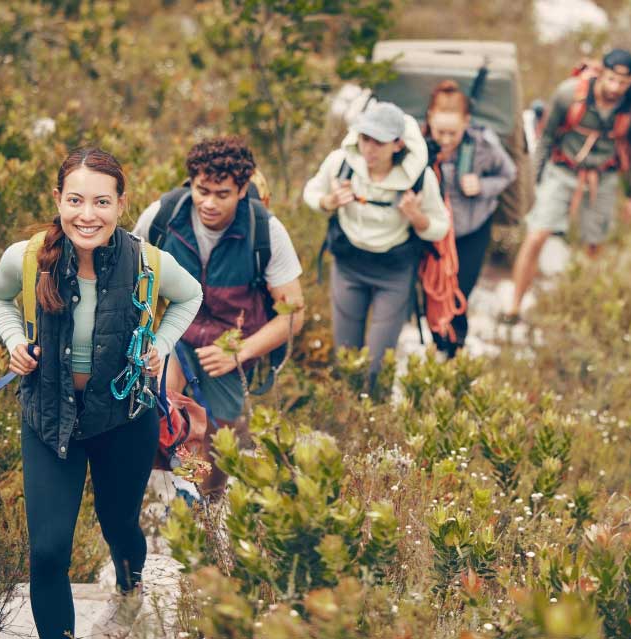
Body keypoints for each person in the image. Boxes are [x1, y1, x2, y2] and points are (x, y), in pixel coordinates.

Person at [0, 147, 203, 639]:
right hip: (47, 415)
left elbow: (191, 296)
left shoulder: (146, 260)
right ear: (58, 199)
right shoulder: (28, 257)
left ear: (121, 205)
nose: (87, 215)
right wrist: (15, 340)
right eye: (76, 200)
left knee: (119, 524)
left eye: (102, 202)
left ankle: (128, 594)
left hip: (124, 418)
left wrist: (160, 347)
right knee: (48, 549)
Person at [133, 136, 305, 497]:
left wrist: (239, 352)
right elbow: (126, 275)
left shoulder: (266, 230)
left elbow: (294, 314)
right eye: (202, 190)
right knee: (162, 403)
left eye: (222, 194)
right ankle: (169, 490)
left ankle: (207, 506)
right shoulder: (163, 216)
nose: (209, 203)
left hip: (232, 342)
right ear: (191, 182)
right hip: (176, 330)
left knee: (218, 442)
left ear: (243, 189)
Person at [304, 101, 450, 382]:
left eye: (378, 142)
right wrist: (329, 201)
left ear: (397, 145)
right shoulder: (341, 163)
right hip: (348, 265)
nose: (368, 149)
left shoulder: (419, 177)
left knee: (378, 362)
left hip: (393, 273)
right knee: (346, 356)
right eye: (364, 138)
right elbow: (311, 192)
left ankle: (374, 411)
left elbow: (440, 227)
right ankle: (346, 416)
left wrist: (417, 217)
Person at [506, 48, 631, 323]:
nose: (615, 88)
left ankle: (583, 306)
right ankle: (514, 305)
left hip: (603, 177)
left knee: (594, 245)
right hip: (562, 170)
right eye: (611, 79)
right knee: (536, 236)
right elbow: (546, 139)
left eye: (623, 83)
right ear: (600, 73)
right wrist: (534, 184)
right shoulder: (569, 94)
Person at [424, 80, 517, 357]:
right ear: (430, 118)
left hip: (472, 229)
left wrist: (482, 185)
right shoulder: (419, 144)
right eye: (441, 131)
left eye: (453, 132)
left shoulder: (483, 144)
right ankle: (437, 344)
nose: (446, 139)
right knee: (433, 291)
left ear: (467, 121)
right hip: (433, 233)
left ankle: (455, 348)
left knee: (459, 291)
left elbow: (508, 173)